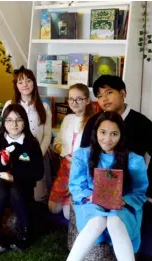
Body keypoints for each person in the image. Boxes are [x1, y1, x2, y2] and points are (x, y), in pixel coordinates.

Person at [80, 75, 152, 215]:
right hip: (98, 186)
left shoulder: (141, 123)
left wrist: (147, 187)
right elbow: (84, 154)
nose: (104, 99)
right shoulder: (93, 122)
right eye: (99, 95)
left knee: (126, 220)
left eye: (109, 93)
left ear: (122, 94)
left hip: (129, 188)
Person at [67, 112, 148, 261]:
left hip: (122, 206)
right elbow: (76, 185)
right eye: (103, 132)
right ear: (96, 131)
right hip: (90, 202)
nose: (107, 139)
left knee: (114, 220)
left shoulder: (134, 160)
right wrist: (90, 196)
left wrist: (123, 201)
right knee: (98, 219)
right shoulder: (82, 155)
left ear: (121, 136)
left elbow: (139, 192)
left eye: (114, 134)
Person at [0, 104, 44, 252]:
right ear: (4, 122)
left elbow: (38, 173)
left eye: (18, 120)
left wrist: (14, 176)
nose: (14, 124)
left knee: (15, 189)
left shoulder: (31, 144)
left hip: (22, 186)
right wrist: (0, 165)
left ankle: (24, 233)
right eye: (9, 120)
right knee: (0, 187)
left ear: (25, 122)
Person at [2, 66, 52, 202]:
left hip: (38, 155)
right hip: (15, 156)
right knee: (18, 193)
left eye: (28, 81)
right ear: (16, 86)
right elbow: (4, 133)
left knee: (38, 197)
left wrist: (37, 154)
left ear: (34, 83)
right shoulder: (9, 105)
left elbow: (47, 135)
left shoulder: (45, 107)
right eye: (20, 82)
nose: (25, 85)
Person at [48, 84, 95, 220]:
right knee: (53, 209)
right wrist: (63, 151)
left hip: (82, 170)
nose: (74, 103)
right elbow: (57, 141)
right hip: (65, 167)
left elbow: (94, 151)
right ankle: (67, 196)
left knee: (68, 215)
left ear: (87, 100)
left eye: (79, 99)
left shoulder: (93, 121)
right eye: (71, 99)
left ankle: (73, 196)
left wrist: (77, 159)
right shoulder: (68, 119)